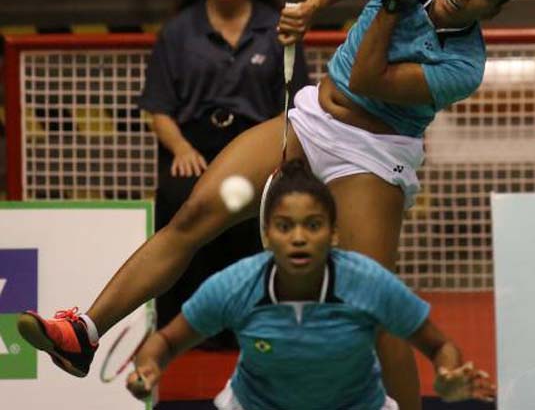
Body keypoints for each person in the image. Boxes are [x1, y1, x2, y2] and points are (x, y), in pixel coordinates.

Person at [18, 0, 531, 408]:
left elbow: (367, 77)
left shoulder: (464, 66)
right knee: (193, 214)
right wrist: (311, 6)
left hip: (373, 152)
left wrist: (393, 6)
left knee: (371, 300)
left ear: (494, 9)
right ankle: (85, 331)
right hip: (311, 119)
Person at [125, 159, 495, 409]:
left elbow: (439, 345)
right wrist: (148, 367)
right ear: (267, 235)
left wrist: (447, 377)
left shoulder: (367, 282)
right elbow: (167, 341)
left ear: (334, 234)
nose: (298, 238)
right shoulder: (238, 285)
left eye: (313, 225)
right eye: (285, 227)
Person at [136, 0, 307, 342]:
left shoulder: (279, 28)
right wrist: (179, 148)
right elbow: (159, 110)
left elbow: (295, 105)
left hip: (257, 146)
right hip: (193, 149)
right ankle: (179, 332)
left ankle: (256, 324)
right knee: (180, 198)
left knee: (265, 205)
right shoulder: (178, 32)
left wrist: (279, 157)